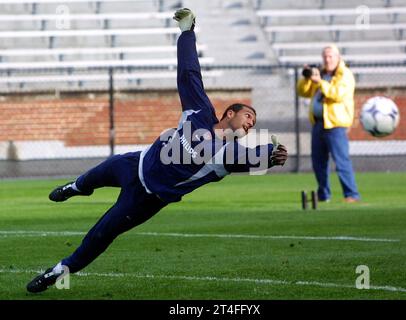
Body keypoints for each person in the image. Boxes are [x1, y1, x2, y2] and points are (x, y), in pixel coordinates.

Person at [26, 8, 288, 293]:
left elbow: (250, 157)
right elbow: (190, 74)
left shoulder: (227, 154)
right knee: (91, 178)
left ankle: (58, 271)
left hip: (146, 198)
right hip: (134, 163)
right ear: (229, 113)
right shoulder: (200, 112)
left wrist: (271, 154)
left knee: (101, 234)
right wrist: (187, 34)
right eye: (248, 116)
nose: (251, 123)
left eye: (254, 123)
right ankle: (75, 188)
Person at [297, 44, 360, 203]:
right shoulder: (321, 73)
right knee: (318, 162)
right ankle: (324, 195)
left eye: (330, 56)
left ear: (338, 58)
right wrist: (306, 78)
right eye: (325, 56)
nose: (327, 59)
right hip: (318, 123)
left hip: (335, 124)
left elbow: (337, 94)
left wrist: (320, 82)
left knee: (341, 160)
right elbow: (302, 92)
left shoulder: (344, 74)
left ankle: (351, 194)